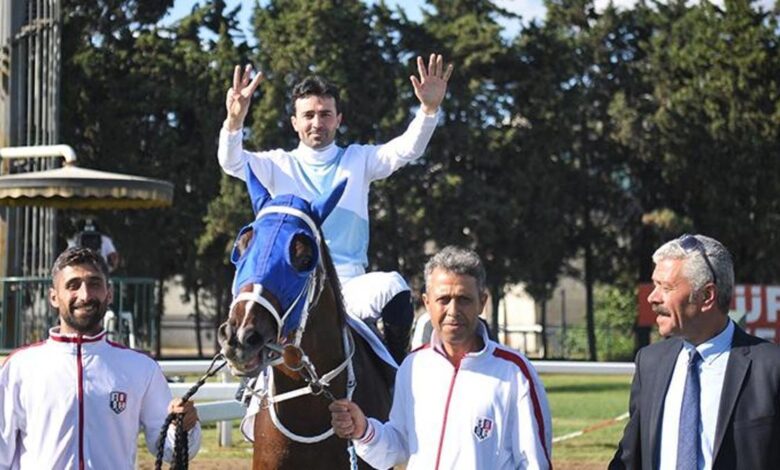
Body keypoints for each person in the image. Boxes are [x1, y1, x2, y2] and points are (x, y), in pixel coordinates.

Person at [217, 54, 453, 363]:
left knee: (394, 286)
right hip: (292, 291)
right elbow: (232, 162)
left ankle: (397, 376)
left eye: (326, 114)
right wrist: (234, 123)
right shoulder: (277, 163)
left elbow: (407, 149)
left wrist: (429, 110)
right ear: (294, 122)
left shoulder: (359, 159)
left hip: (348, 287)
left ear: (339, 119)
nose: (317, 122)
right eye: (309, 115)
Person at [329, 246, 553, 469]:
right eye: (443, 299)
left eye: (464, 299)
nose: (453, 310)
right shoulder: (413, 366)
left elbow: (535, 463)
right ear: (427, 303)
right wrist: (363, 430)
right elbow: (399, 447)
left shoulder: (514, 372)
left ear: (482, 302)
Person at [0, 247, 201, 468]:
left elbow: (170, 449)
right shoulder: (19, 368)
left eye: (94, 284)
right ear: (54, 297)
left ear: (109, 293)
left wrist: (185, 427)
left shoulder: (141, 368)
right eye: (73, 285)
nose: (85, 295)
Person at [609, 234, 780, 470]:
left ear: (707, 296)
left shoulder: (771, 367)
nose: (652, 297)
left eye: (666, 287)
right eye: (655, 284)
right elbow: (630, 459)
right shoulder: (650, 362)